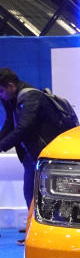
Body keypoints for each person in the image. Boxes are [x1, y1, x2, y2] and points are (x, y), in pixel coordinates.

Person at [0, 68, 64, 240]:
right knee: (31, 192)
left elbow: (24, 128)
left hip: (43, 153)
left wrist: (1, 146)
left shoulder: (30, 97)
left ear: (10, 86)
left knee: (39, 193)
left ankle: (41, 232)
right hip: (32, 154)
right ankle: (34, 228)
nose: (1, 96)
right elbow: (10, 125)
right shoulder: (14, 98)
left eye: (1, 91)